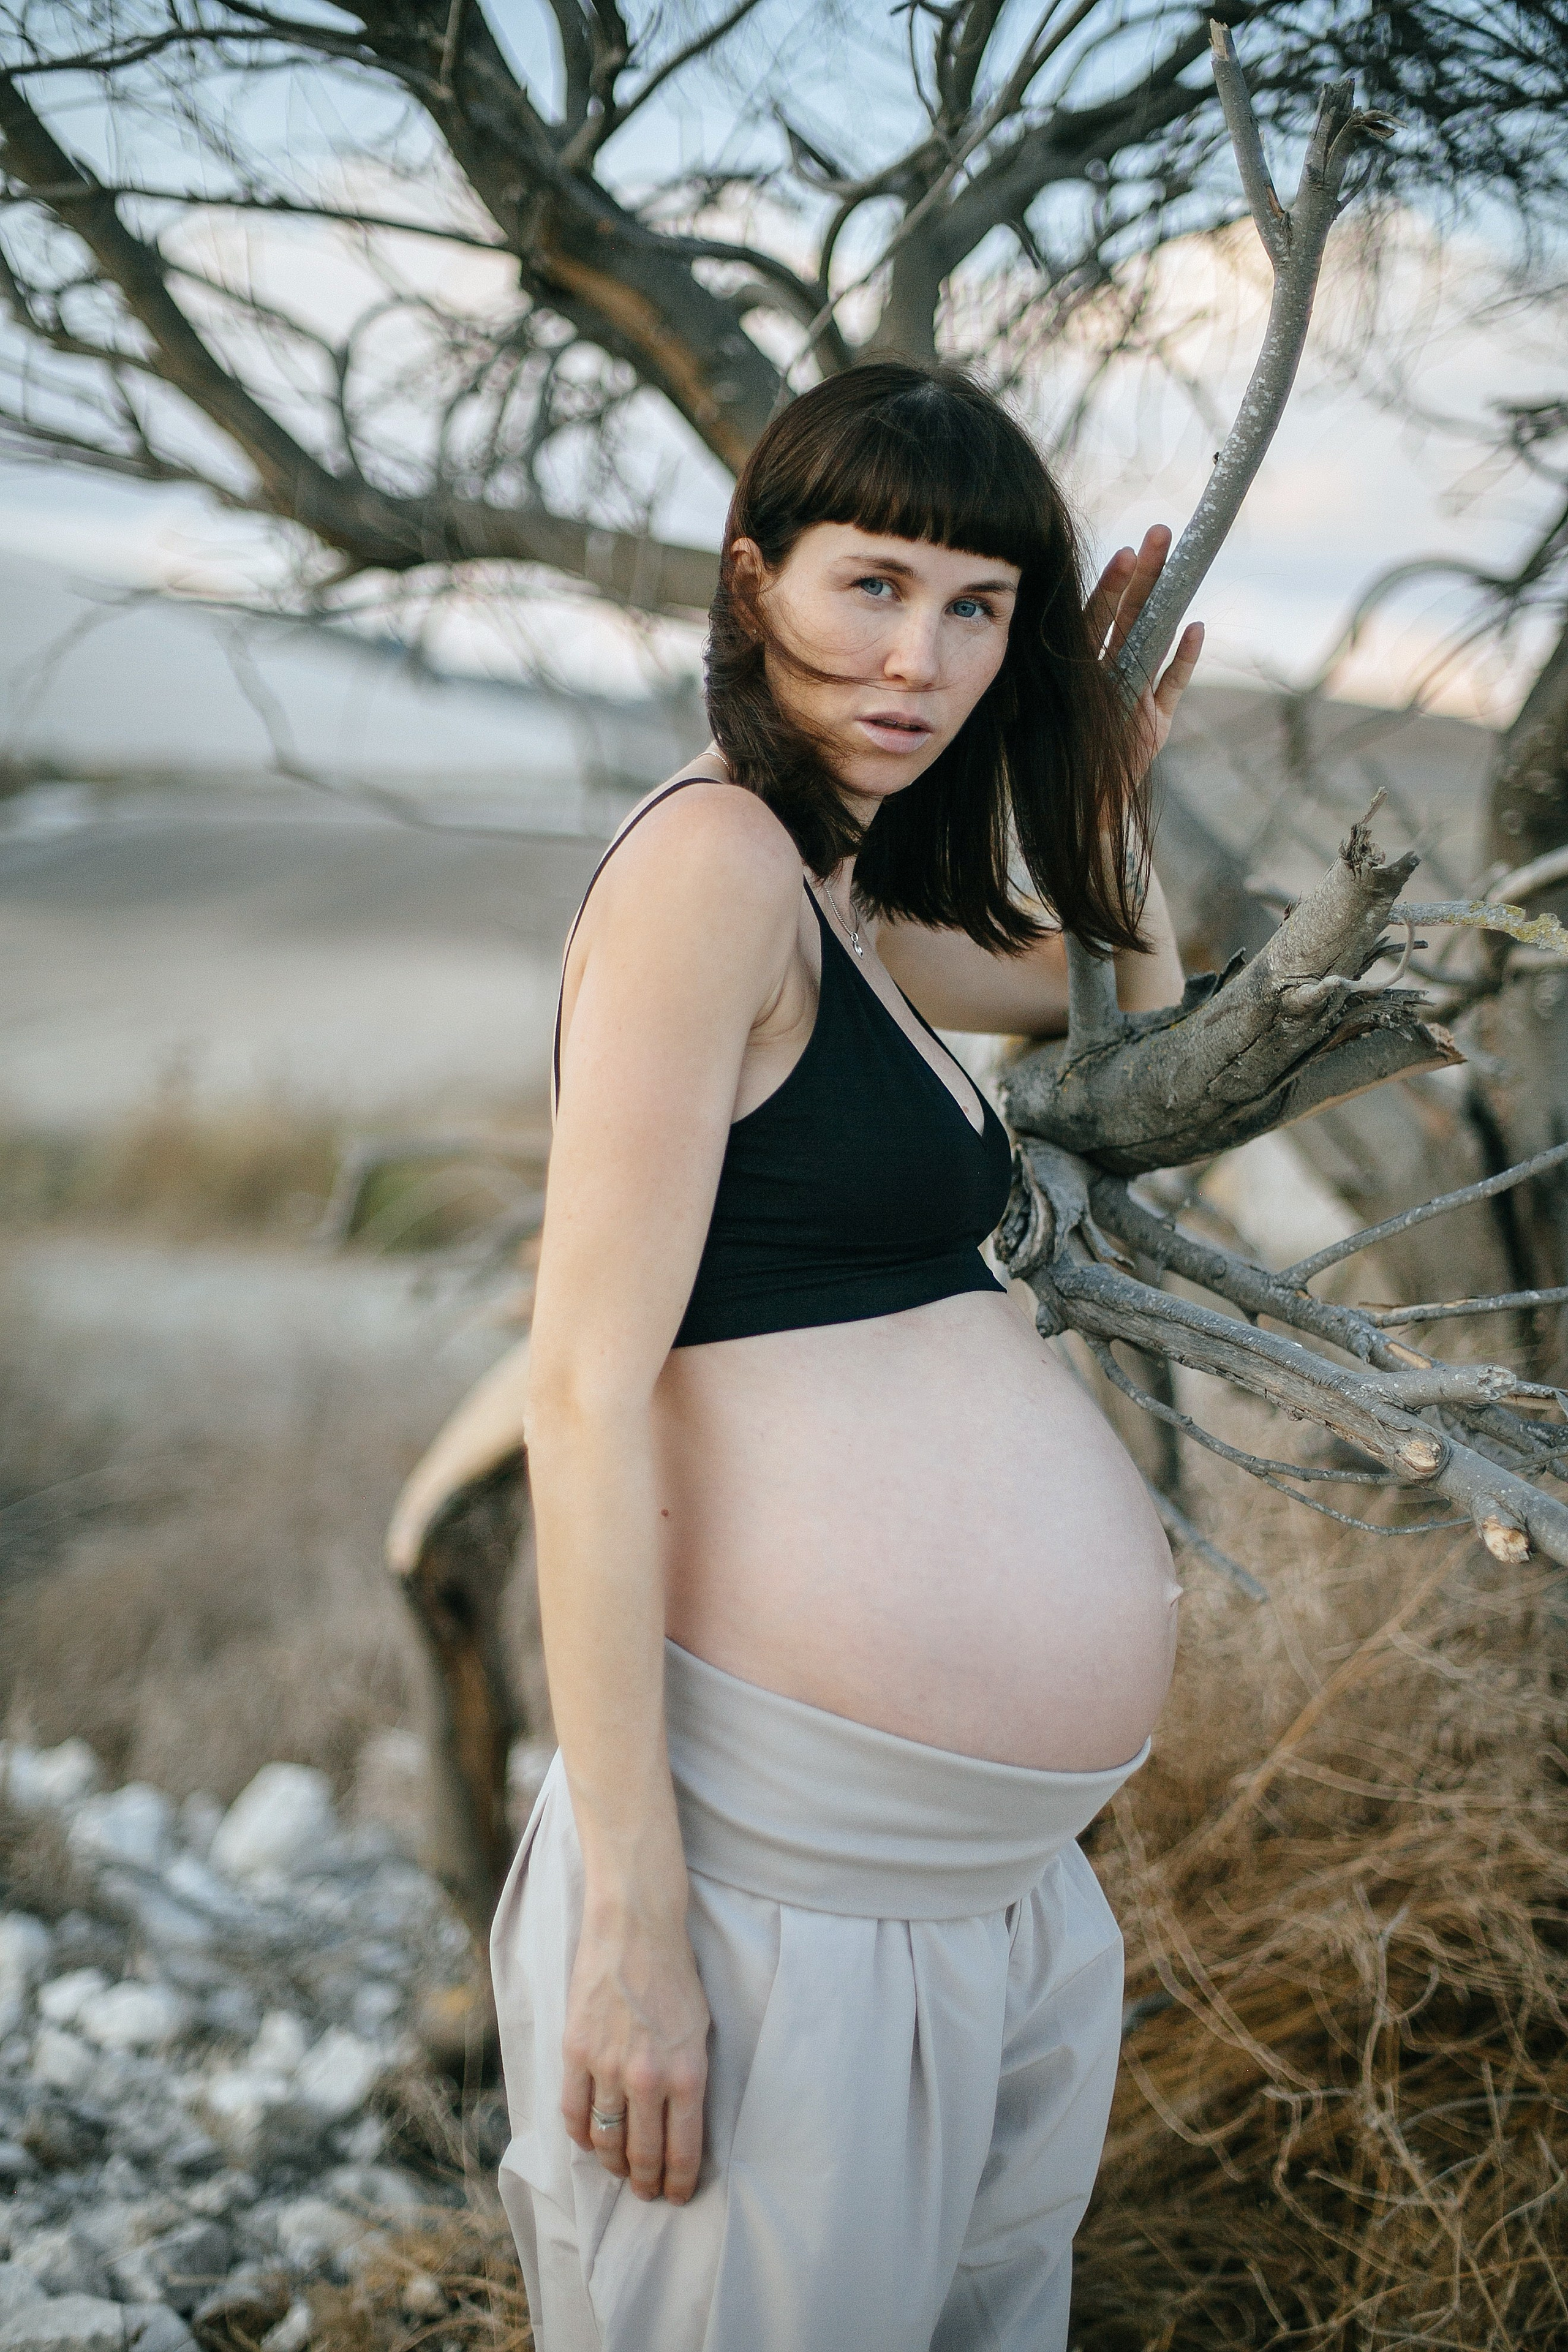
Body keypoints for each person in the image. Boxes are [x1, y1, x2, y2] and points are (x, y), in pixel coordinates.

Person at [491, 360, 1202, 2352]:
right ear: (753, 582)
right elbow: (577, 1382)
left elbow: (1126, 1000)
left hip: (974, 1891)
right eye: (871, 584)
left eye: (980, 608)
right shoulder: (711, 868)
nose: (924, 656)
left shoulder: (849, 897)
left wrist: (1099, 778)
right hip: (776, 1891)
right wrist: (637, 1925)